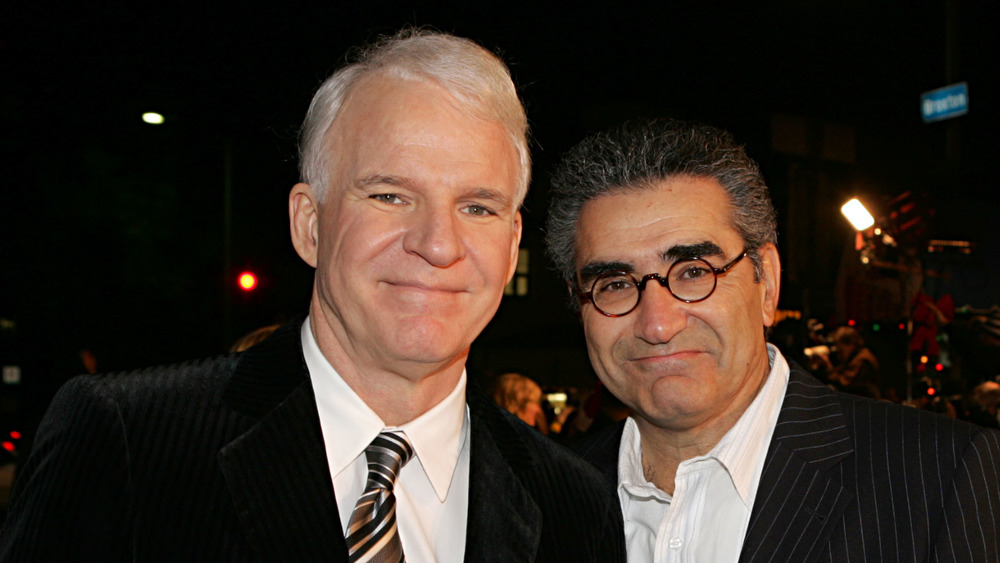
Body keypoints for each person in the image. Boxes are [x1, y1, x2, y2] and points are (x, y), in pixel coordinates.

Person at [0, 30, 624, 562]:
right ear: (309, 224)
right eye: (389, 195)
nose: (439, 244)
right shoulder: (126, 445)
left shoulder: (573, 505)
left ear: (513, 241)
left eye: (478, 206)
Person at [545, 118, 1000, 561]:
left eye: (694, 272)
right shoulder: (539, 500)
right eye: (616, 283)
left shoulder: (940, 478)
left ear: (768, 283)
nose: (657, 325)